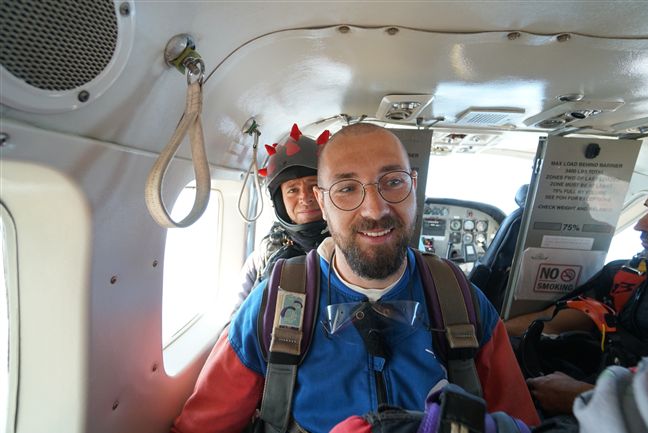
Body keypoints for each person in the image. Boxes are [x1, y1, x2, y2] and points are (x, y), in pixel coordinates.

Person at [170, 123, 539, 433]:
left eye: (392, 182)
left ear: (413, 186)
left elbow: (522, 422)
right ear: (322, 202)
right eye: (347, 188)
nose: (375, 210)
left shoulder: (460, 301)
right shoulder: (272, 306)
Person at [505, 193, 648, 415]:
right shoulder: (627, 275)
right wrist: (494, 332)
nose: (640, 225)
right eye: (647, 210)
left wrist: (581, 396)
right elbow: (573, 315)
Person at [237, 124, 329, 307]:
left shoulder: (352, 246)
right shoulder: (262, 257)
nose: (305, 198)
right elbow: (237, 319)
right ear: (279, 200)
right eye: (293, 190)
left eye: (313, 185)